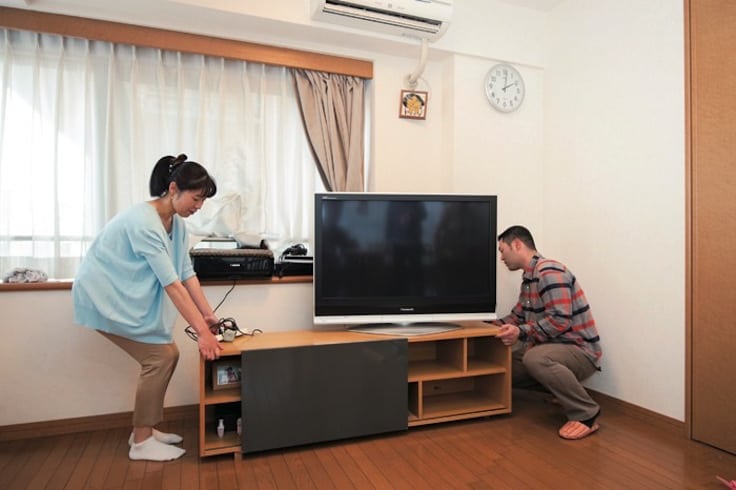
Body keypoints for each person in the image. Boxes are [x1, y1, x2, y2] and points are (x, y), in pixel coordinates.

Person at [72, 153, 224, 461]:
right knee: (160, 357)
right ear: (173, 189)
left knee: (167, 355)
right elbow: (172, 285)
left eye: (203, 201)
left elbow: (186, 273)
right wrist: (202, 334)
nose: (199, 206)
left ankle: (145, 430)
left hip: (121, 296)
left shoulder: (177, 225)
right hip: (101, 297)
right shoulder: (143, 222)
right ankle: (141, 442)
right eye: (196, 198)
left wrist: (208, 315)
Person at [493, 225, 602, 440]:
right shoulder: (529, 279)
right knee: (502, 366)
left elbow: (560, 320)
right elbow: (517, 317)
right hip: (552, 349)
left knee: (535, 358)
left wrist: (520, 333)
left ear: (517, 245)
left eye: (502, 250)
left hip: (580, 351)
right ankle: (562, 392)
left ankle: (586, 413)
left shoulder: (549, 271)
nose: (501, 258)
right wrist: (484, 325)